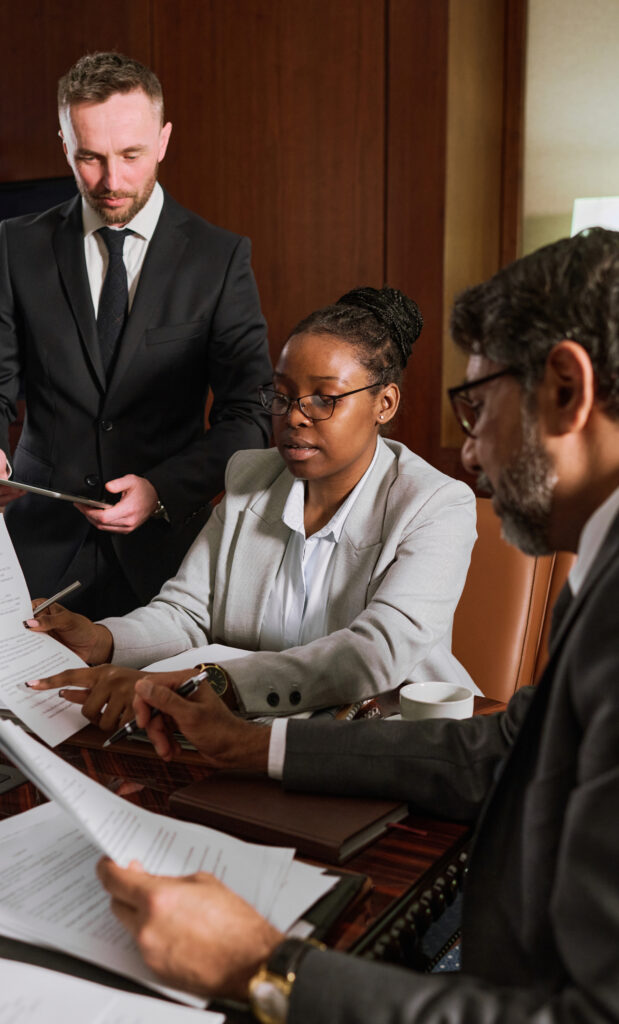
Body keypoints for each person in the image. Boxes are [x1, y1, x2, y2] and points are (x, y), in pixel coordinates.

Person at [96, 228, 618, 1023]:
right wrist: (253, 745)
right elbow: (504, 748)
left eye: (477, 406)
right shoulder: (600, 562)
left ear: (566, 390)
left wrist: (266, 972)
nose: (470, 452)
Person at [28, 285, 478, 726]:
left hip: (386, 738)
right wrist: (102, 641)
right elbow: (187, 613)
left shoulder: (435, 505)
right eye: (281, 396)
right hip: (248, 732)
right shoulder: (251, 479)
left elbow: (373, 654)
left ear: (384, 403)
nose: (294, 416)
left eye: (325, 398)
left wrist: (193, 683)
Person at [0, 52, 271, 619]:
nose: (112, 181)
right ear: (65, 142)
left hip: (169, 562)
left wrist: (162, 490)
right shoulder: (19, 245)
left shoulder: (221, 259)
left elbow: (248, 415)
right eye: (89, 158)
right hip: (35, 553)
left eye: (131, 155)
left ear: (164, 139)